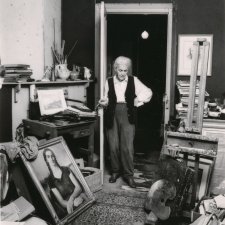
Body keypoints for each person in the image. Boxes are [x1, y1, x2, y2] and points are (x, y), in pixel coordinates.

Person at [99, 56, 153, 188]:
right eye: (120, 70)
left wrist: (138, 99)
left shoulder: (134, 80)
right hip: (112, 113)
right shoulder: (109, 81)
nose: (123, 73)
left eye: (125, 70)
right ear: (115, 69)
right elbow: (106, 98)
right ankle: (115, 172)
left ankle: (129, 175)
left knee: (127, 147)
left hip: (127, 114)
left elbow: (148, 92)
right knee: (113, 146)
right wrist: (103, 102)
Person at [43, 148, 86, 218]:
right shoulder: (50, 180)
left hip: (78, 195)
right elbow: (61, 202)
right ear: (46, 160)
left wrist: (72, 198)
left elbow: (78, 187)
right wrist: (73, 204)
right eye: (48, 157)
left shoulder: (65, 169)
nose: (51, 158)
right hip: (67, 205)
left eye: (52, 156)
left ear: (54, 157)